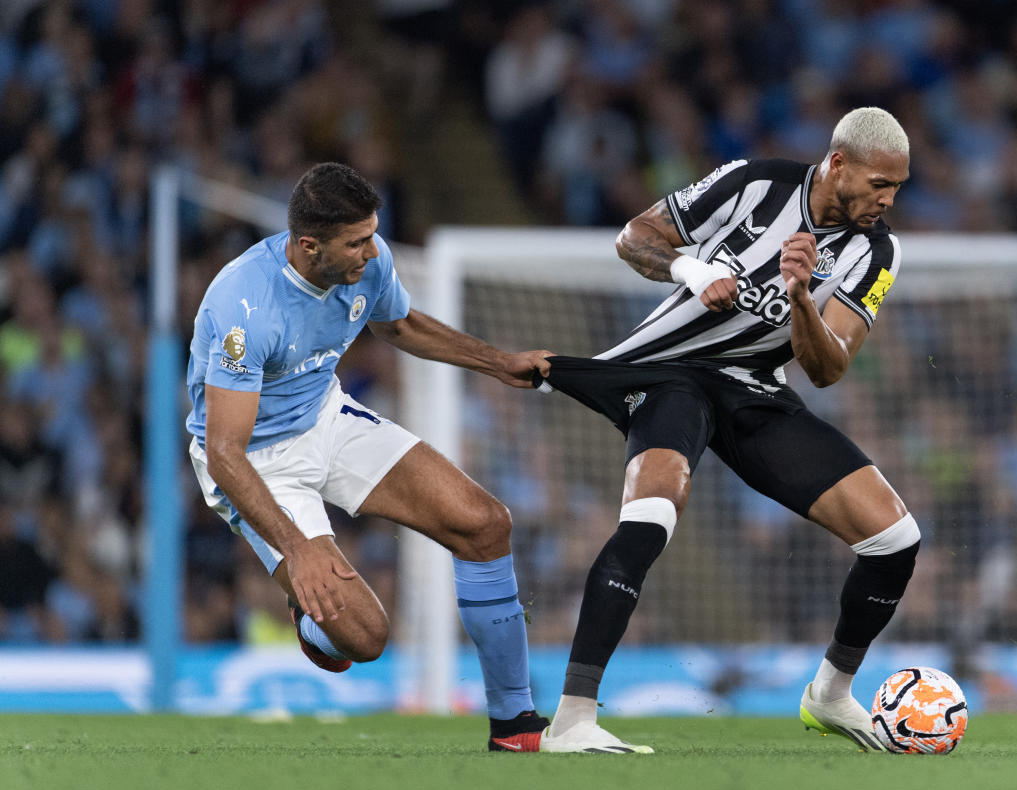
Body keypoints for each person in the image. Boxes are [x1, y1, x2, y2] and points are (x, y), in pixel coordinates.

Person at [535, 107, 915, 753]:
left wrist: (799, 297)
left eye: (896, 188)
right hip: (667, 372)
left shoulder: (876, 250)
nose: (886, 200)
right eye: (878, 184)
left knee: (894, 538)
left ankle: (828, 695)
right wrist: (695, 271)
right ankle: (571, 718)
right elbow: (635, 235)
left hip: (752, 387)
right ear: (838, 164)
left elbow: (827, 369)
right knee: (653, 512)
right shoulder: (754, 183)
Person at [185, 162, 552, 752]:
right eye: (356, 242)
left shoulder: (369, 262)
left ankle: (515, 727)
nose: (371, 250)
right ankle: (313, 624)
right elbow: (226, 453)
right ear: (309, 246)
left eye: (372, 234)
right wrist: (298, 550)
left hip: (326, 417)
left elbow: (400, 325)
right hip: (255, 459)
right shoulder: (242, 305)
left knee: (485, 524)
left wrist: (497, 361)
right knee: (365, 635)